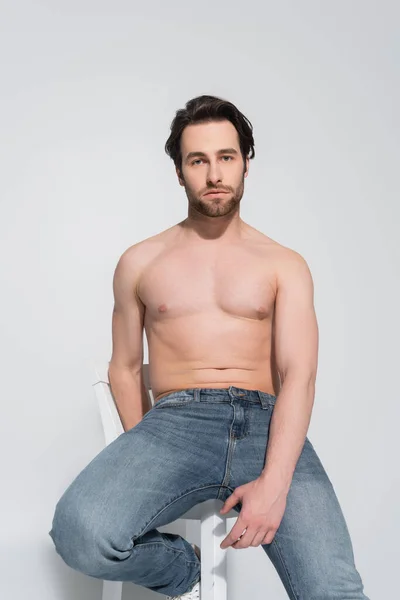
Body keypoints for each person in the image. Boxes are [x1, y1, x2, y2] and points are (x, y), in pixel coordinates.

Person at [49, 95, 370, 599]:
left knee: (335, 590)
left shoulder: (284, 264)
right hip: (174, 424)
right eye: (197, 160)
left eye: (226, 157)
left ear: (246, 162)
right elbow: (127, 368)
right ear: (179, 172)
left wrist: (275, 484)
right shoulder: (141, 261)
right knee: (80, 534)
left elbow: (300, 375)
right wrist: (144, 450)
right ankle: (184, 569)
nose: (214, 173)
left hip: (269, 426)